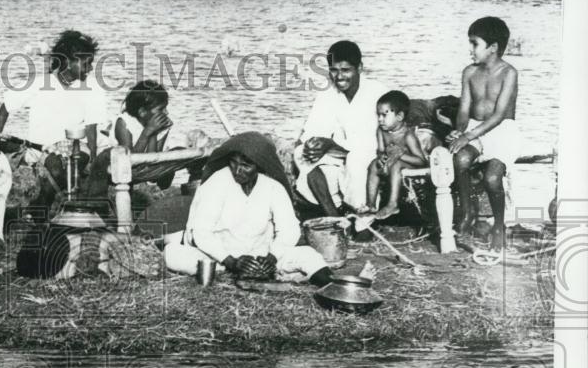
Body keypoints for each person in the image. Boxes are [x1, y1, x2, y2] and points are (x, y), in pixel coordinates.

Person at [163, 133, 334, 286]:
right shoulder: (217, 183)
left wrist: (271, 259)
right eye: (233, 163)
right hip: (219, 257)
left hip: (261, 256)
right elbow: (202, 232)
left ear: (259, 166)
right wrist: (232, 262)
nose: (238, 170)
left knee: (309, 255)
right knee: (172, 253)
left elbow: (289, 230)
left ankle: (331, 286)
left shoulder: (272, 187)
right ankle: (237, 272)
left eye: (246, 165)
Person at [0, 30, 108, 214]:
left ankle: (56, 205)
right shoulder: (40, 83)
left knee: (80, 160)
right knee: (56, 168)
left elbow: (91, 127)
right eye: (86, 63)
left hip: (76, 146)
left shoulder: (92, 89)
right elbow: (5, 107)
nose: (91, 69)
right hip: (41, 148)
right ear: (68, 62)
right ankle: (41, 206)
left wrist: (92, 156)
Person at [446, 16, 521, 251]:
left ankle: (499, 225)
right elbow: (464, 110)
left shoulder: (509, 73)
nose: (470, 49)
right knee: (460, 158)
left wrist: (468, 136)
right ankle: (469, 211)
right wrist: (458, 131)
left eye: (474, 43)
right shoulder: (469, 72)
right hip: (475, 129)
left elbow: (499, 115)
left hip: (502, 131)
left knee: (492, 178)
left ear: (493, 48)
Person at [294, 40, 389, 218]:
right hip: (338, 154)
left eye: (345, 70)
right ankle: (335, 217)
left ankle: (364, 221)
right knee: (301, 153)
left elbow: (374, 141)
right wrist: (312, 145)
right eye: (334, 70)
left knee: (356, 160)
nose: (339, 77)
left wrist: (330, 144)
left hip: (370, 154)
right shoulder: (327, 95)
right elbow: (313, 131)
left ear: (359, 68)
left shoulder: (378, 93)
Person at [80, 80, 183, 204]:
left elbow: (153, 157)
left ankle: (160, 192)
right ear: (142, 112)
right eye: (161, 109)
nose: (166, 113)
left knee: (178, 153)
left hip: (145, 166)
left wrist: (154, 133)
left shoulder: (159, 125)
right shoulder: (124, 122)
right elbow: (128, 160)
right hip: (117, 164)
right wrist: (147, 132)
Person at [366, 90, 429, 219]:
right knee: (373, 165)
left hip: (408, 165)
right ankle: (371, 205)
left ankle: (392, 204)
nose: (380, 119)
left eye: (384, 115)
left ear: (399, 116)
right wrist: (381, 159)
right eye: (378, 115)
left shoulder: (408, 135)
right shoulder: (381, 131)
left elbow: (421, 161)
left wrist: (400, 155)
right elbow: (380, 150)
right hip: (391, 163)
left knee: (397, 165)